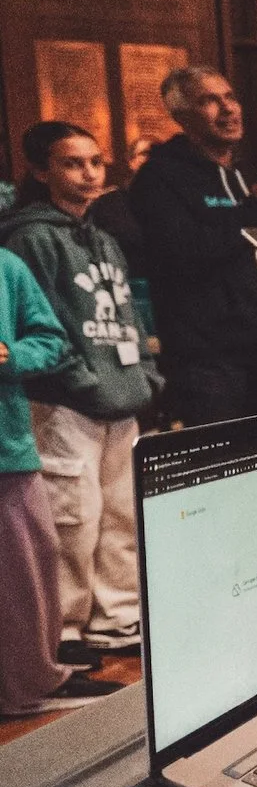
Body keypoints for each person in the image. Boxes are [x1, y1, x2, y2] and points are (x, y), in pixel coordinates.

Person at [0, 124, 161, 668]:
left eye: (96, 162)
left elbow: (126, 311)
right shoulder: (29, 238)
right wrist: (82, 381)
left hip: (121, 396)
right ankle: (65, 627)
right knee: (74, 517)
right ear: (42, 171)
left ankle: (115, 619)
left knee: (121, 513)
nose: (89, 173)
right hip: (65, 401)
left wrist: (146, 373)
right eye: (73, 163)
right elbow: (43, 322)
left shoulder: (105, 238)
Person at [124, 66, 257, 425]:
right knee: (224, 472)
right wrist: (256, 208)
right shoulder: (161, 176)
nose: (228, 109)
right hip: (210, 362)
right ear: (181, 115)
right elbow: (185, 254)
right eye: (210, 101)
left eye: (230, 97)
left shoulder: (249, 173)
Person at [0, 244, 117, 714]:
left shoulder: (7, 265)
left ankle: (32, 680)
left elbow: (50, 337)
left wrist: (9, 355)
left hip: (7, 447)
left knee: (31, 567)